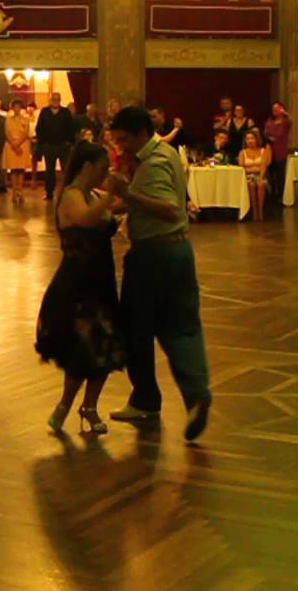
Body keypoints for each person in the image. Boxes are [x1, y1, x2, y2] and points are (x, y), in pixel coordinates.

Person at [104, 107, 212, 441]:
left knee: (137, 329)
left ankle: (146, 400)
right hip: (178, 252)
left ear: (139, 133)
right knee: (183, 327)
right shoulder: (166, 154)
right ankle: (196, 394)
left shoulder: (154, 162)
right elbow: (155, 200)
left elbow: (168, 208)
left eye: (123, 140)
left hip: (154, 254)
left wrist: (126, 193)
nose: (120, 147)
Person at [36, 140, 126, 434]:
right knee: (81, 349)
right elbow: (88, 220)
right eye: (102, 169)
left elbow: (115, 208)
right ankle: (64, 405)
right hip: (76, 284)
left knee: (105, 347)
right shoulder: (71, 196)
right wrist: (111, 193)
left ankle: (90, 406)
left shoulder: (93, 194)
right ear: (88, 167)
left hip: (100, 280)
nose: (105, 174)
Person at [36, 93, 72, 201]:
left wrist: (68, 141)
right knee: (49, 171)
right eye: (53, 99)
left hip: (63, 146)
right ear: (50, 100)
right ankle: (49, 193)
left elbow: (71, 127)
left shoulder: (66, 112)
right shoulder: (44, 112)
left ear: (60, 100)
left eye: (57, 99)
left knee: (66, 170)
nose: (55, 101)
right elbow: (39, 128)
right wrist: (43, 143)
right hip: (49, 146)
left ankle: (67, 192)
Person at [2, 100, 32, 204]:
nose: (17, 109)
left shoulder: (25, 119)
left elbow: (26, 133)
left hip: (22, 145)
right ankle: (14, 191)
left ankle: (21, 190)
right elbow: (6, 132)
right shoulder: (8, 119)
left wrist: (18, 144)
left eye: (19, 106)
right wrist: (13, 144)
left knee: (21, 169)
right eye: (15, 107)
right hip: (11, 145)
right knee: (13, 169)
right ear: (12, 108)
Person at [238, 129, 270, 222]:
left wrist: (260, 176)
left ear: (256, 139)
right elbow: (242, 167)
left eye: (252, 138)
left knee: (260, 184)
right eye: (248, 139)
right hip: (247, 177)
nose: (250, 141)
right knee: (251, 185)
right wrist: (254, 169)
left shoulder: (263, 151)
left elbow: (263, 166)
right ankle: (254, 212)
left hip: (261, 176)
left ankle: (260, 212)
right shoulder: (242, 153)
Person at [263, 101, 291, 200]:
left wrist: (285, 114)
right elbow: (266, 133)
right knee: (271, 174)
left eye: (277, 109)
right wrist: (271, 137)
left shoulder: (285, 121)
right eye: (273, 109)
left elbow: (290, 122)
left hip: (281, 151)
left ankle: (281, 196)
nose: (275, 111)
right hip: (270, 151)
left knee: (280, 175)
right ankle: (272, 195)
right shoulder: (269, 120)